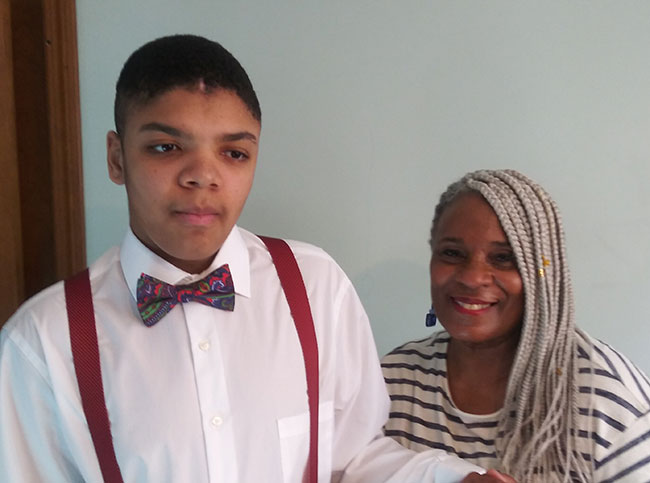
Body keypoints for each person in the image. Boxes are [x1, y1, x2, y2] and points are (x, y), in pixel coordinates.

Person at [0, 35, 512, 482]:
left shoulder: (316, 287)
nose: (204, 176)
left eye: (234, 153)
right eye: (165, 147)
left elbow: (354, 460)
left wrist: (453, 479)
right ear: (117, 158)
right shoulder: (43, 343)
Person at [382, 169, 650, 481]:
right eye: (452, 253)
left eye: (504, 258)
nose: (472, 277)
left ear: (544, 275)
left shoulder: (609, 403)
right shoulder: (392, 382)